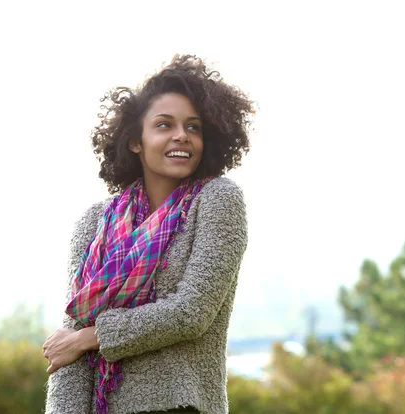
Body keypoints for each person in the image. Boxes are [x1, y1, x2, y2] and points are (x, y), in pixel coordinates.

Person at [42, 55, 254, 414]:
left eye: (194, 127)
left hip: (183, 405)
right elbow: (69, 342)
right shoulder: (95, 222)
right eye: (164, 125)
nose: (181, 136)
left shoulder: (217, 200)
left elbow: (190, 313)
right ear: (135, 141)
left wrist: (92, 338)